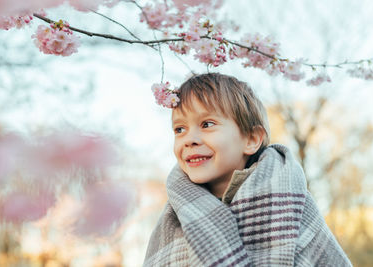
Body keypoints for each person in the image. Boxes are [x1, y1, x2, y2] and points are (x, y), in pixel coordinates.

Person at [144, 73, 352, 266]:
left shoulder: (289, 205)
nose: (189, 139)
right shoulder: (174, 219)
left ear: (251, 140)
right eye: (180, 129)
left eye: (207, 124)